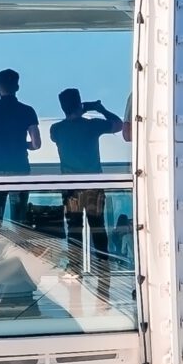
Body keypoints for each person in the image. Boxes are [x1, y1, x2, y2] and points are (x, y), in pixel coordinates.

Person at [51, 87, 128, 294]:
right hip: (93, 183)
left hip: (71, 188)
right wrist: (99, 108)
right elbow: (119, 125)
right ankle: (103, 267)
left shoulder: (56, 130)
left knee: (74, 228)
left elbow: (69, 121)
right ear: (80, 103)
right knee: (98, 227)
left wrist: (80, 110)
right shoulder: (93, 126)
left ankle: (75, 268)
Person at [0, 68, 41, 224]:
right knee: (19, 220)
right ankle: (18, 247)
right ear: (17, 87)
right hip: (19, 168)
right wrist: (23, 145)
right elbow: (36, 144)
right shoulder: (27, 111)